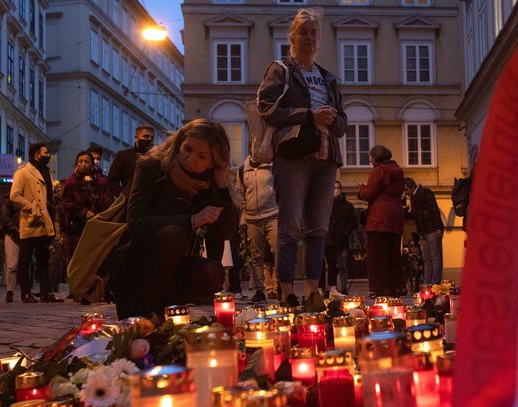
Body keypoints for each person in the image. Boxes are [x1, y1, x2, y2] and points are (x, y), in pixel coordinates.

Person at [258, 8, 347, 307]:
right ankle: (287, 292)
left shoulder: (328, 78)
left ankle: (312, 290)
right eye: (303, 32)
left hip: (326, 158)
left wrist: (332, 119)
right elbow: (266, 107)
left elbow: (343, 123)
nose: (308, 37)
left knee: (319, 227)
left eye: (313, 33)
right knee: (291, 226)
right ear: (292, 37)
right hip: (293, 156)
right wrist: (310, 115)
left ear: (318, 39)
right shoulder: (281, 70)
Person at [111, 119, 237, 319]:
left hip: (174, 272)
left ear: (212, 161)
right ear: (180, 142)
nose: (190, 158)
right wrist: (192, 220)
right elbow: (136, 224)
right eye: (187, 149)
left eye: (201, 156)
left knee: (213, 271)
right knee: (174, 234)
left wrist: (222, 187)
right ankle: (145, 320)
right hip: (135, 268)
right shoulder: (152, 167)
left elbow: (225, 232)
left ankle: (164, 316)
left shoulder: (208, 183)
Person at [11, 142, 64, 303]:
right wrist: (31, 206)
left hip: (45, 220)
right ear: (36, 154)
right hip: (31, 220)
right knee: (25, 258)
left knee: (43, 257)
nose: (48, 155)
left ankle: (45, 292)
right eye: (45, 152)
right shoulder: (23, 172)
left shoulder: (47, 171)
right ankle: (25, 293)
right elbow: (14, 195)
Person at [358, 145, 405, 297]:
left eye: (371, 157)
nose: (370, 160)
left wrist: (361, 190)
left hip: (379, 218)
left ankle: (379, 287)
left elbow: (370, 193)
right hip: (395, 216)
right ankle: (396, 286)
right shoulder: (398, 170)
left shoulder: (379, 170)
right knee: (393, 254)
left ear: (376, 157)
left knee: (377, 255)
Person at [237, 156, 279, 303]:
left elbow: (281, 189)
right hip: (252, 218)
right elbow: (241, 196)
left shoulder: (272, 166)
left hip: (273, 215)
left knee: (277, 252)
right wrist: (243, 219)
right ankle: (260, 290)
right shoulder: (243, 170)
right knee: (256, 256)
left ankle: (281, 286)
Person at [61, 151, 113, 260]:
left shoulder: (100, 182)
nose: (84, 164)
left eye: (87, 161)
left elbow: (107, 200)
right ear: (77, 164)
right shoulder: (71, 182)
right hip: (76, 228)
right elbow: (66, 204)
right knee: (77, 258)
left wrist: (99, 213)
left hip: (96, 226)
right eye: (81, 161)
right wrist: (83, 212)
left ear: (92, 164)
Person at [404, 177, 445, 285]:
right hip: (423, 231)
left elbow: (434, 210)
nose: (405, 193)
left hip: (431, 229)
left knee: (435, 257)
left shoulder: (425, 192)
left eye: (406, 189)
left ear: (412, 187)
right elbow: (415, 215)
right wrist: (404, 212)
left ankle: (435, 282)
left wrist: (438, 228)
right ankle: (428, 282)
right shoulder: (413, 197)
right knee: (427, 258)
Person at [322, 181, 358, 298]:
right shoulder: (326, 204)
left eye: (338, 188)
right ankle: (330, 287)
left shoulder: (347, 206)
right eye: (334, 188)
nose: (336, 190)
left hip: (341, 239)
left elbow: (353, 221)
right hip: (329, 239)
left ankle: (343, 288)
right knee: (329, 265)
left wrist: (345, 232)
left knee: (342, 265)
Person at [107, 125, 155, 197]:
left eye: (152, 137)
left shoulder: (156, 158)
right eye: (146, 136)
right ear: (136, 138)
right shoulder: (124, 156)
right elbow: (112, 180)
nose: (149, 139)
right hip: (130, 200)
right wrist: (122, 197)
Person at [0, 196, 21, 302]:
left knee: (21, 264)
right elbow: (6, 220)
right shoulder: (8, 202)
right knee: (12, 264)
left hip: (23, 233)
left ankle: (24, 291)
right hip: (13, 234)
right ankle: (10, 291)